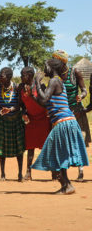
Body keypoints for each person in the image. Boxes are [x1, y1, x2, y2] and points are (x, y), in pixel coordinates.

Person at [31, 58, 89, 194]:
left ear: (51, 68)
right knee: (57, 154)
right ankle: (66, 185)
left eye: (45, 67)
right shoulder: (58, 82)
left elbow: (44, 98)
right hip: (65, 122)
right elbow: (45, 103)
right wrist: (34, 94)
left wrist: (37, 83)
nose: (44, 70)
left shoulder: (54, 81)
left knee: (54, 154)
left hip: (63, 122)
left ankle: (67, 185)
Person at [0, 67, 25, 181]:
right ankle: (3, 174)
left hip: (16, 120)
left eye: (2, 76)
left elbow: (20, 105)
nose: (0, 77)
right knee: (2, 148)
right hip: (2, 121)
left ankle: (20, 173)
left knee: (19, 147)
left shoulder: (17, 87)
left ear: (9, 77)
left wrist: (10, 109)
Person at [18, 67, 52, 181]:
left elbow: (45, 104)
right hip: (31, 120)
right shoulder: (21, 88)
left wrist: (32, 95)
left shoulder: (40, 86)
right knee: (30, 147)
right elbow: (21, 104)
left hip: (43, 120)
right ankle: (28, 172)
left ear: (30, 75)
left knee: (47, 147)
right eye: (21, 74)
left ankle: (54, 172)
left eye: (23, 75)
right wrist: (24, 113)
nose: (21, 77)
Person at [61, 54, 89, 182]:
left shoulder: (75, 72)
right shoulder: (55, 75)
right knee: (63, 142)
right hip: (62, 112)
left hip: (76, 111)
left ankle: (81, 171)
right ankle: (62, 173)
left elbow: (84, 89)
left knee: (79, 140)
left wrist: (81, 96)